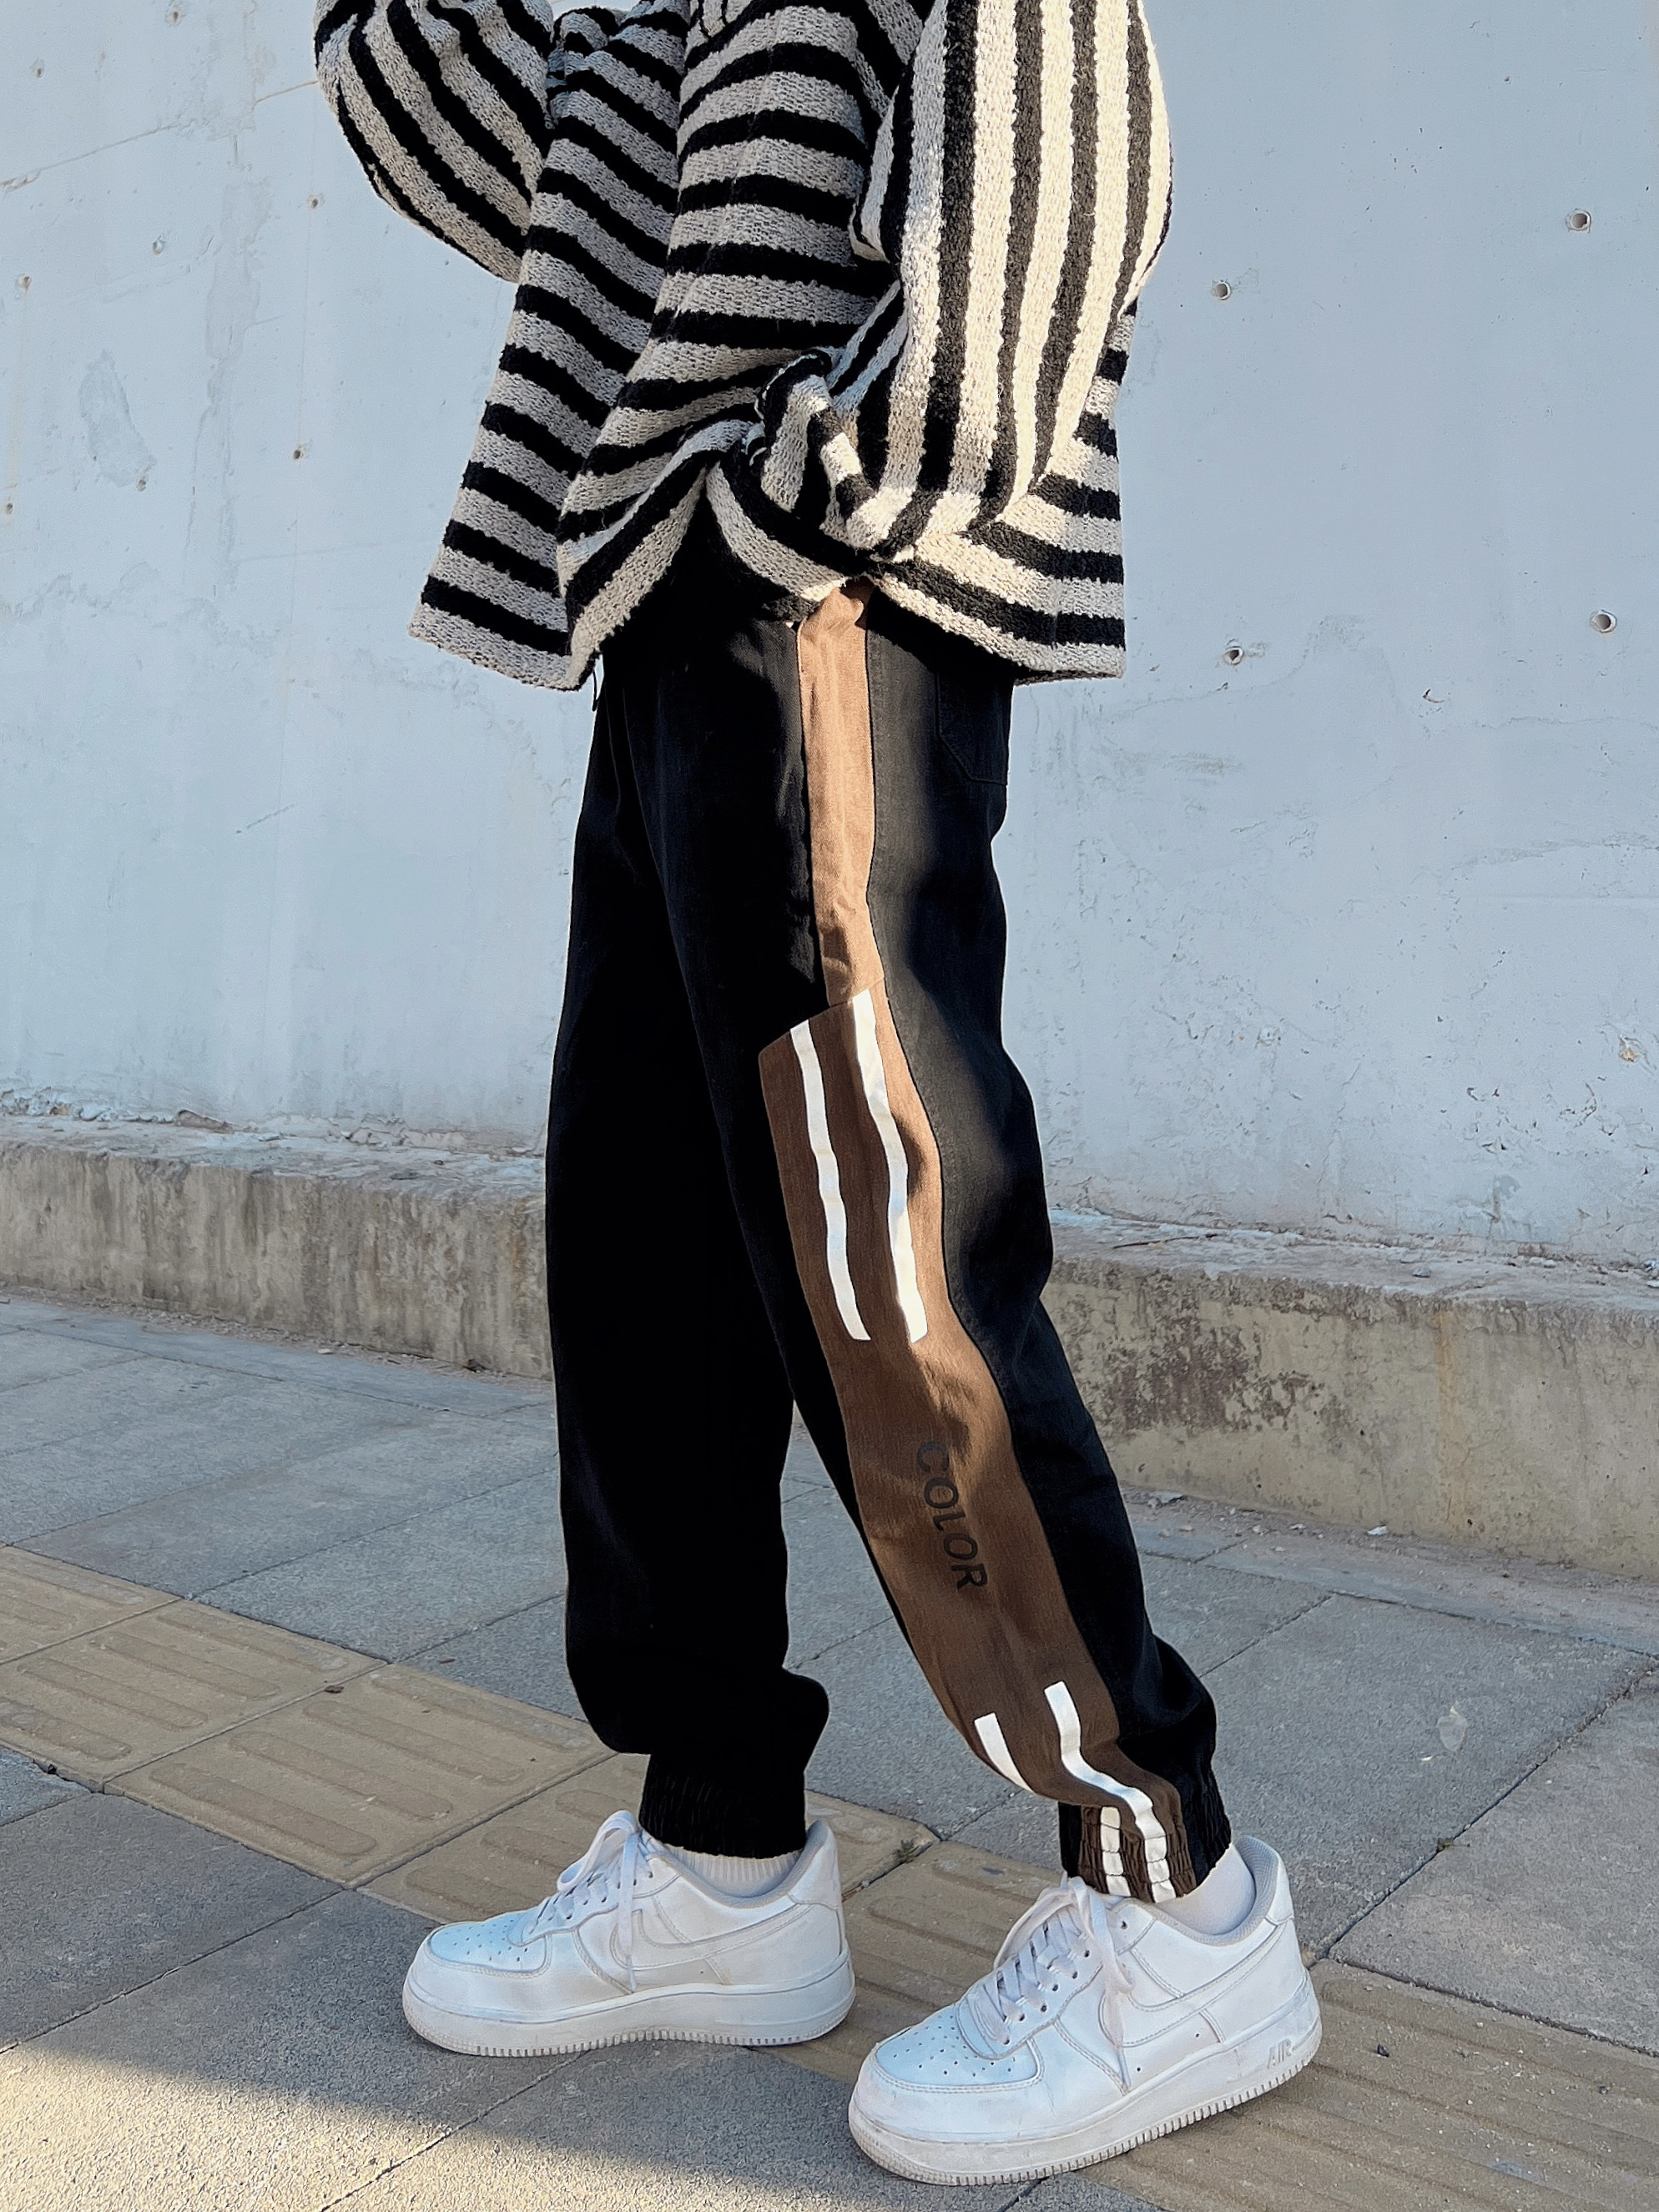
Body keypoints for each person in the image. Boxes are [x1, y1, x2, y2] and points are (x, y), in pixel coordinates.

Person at [313, 0, 1319, 2182]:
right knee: (646, 1255)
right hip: (669, 607)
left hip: (828, 591)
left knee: (891, 1268)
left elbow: (1059, 158)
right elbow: (515, 155)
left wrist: (825, 502)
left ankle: (1174, 1891)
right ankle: (719, 1852)